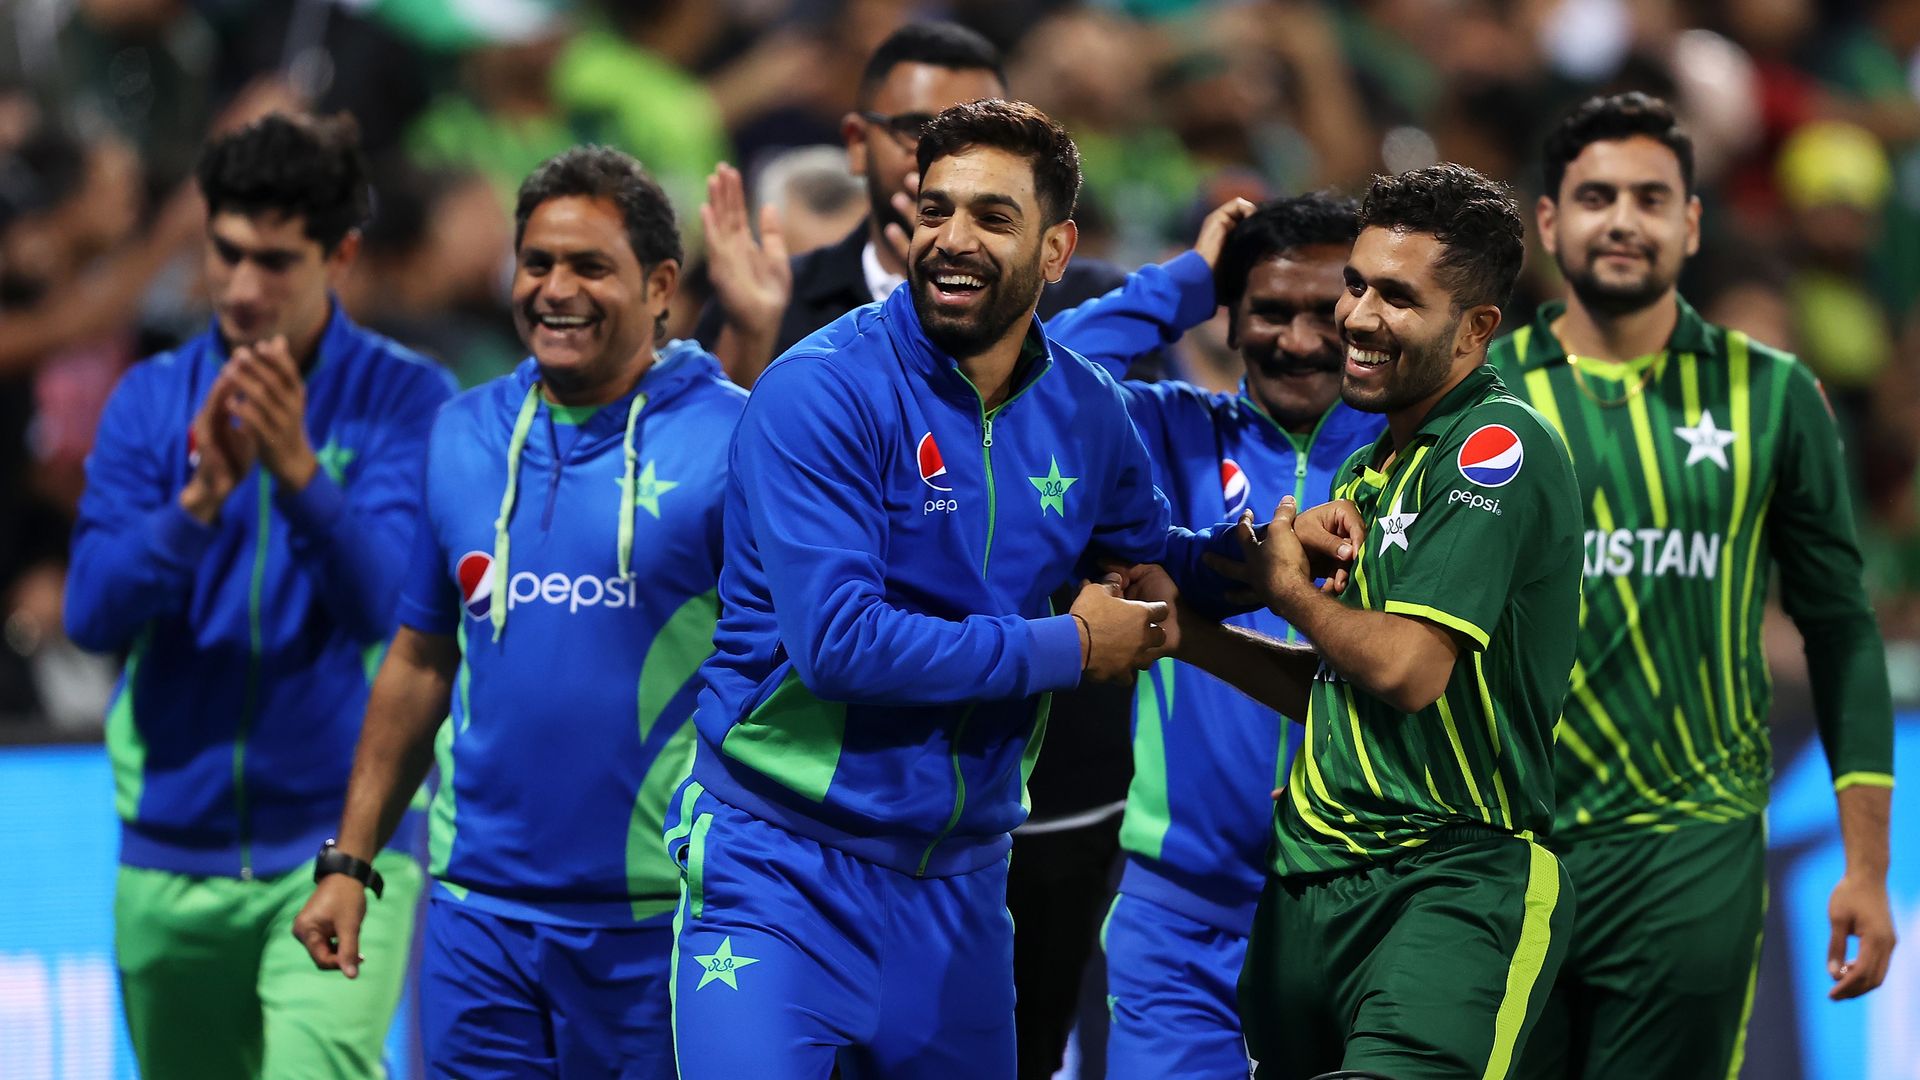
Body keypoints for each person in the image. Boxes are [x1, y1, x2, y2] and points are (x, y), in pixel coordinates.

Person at [667, 98, 1245, 1078]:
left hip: (963, 889)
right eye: (935, 211)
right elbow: (839, 643)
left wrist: (1265, 559)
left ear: (1057, 250)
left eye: (991, 217)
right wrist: (1071, 645)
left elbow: (1147, 561)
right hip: (778, 872)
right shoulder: (822, 391)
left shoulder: (1087, 407)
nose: (951, 240)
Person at [290, 146, 744, 1076]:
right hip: (477, 921)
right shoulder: (462, 432)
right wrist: (350, 860)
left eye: (589, 267)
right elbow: (420, 660)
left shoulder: (734, 440)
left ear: (660, 286)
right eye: (536, 263)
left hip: (657, 923)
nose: (554, 289)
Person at [1127, 163, 1584, 1079]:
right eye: (1359, 284)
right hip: (1307, 890)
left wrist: (1285, 590)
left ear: (1477, 329)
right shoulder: (1373, 470)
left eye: (1400, 298)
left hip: (1448, 880)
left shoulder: (1495, 448)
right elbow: (1341, 687)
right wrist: (1192, 635)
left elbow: (1408, 671)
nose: (1358, 319)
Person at [1486, 93, 1896, 1080]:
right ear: (1548, 223)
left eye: (1650, 197)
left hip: (1692, 859)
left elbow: (1842, 633)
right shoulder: (1479, 397)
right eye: (1594, 196)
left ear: (1692, 223)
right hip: (1507, 853)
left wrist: (1869, 870)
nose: (1623, 219)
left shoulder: (1775, 395)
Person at [64, 112, 454, 1079]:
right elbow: (91, 615)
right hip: (169, 855)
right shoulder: (151, 401)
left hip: (344, 843)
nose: (240, 288)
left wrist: (299, 474)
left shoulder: (408, 399)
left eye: (275, 261)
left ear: (342, 254)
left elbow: (387, 607)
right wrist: (196, 502)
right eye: (227, 252)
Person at [1059, 194, 1387, 1078]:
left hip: (1369, 899)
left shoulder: (1417, 452)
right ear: (1230, 318)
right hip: (1181, 907)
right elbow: (1038, 377)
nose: (1302, 339)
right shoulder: (1167, 430)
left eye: (1329, 312)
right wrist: (1179, 286)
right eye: (1271, 310)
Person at [694, 20, 1138, 388]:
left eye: (980, 132)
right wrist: (751, 338)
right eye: (915, 127)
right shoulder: (766, 302)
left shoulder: (1096, 301)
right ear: (856, 144)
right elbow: (711, 478)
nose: (945, 158)